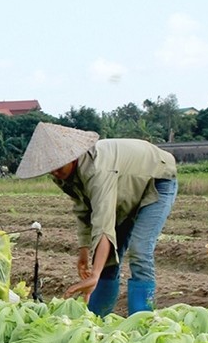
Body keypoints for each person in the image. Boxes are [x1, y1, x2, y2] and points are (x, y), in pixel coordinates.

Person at [15, 122, 178, 316]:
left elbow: (103, 221)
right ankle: (97, 318)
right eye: (51, 170)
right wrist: (84, 253)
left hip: (157, 179)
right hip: (124, 190)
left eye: (58, 167)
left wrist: (95, 274)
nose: (55, 173)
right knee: (108, 259)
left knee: (139, 249)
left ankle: (142, 319)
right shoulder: (64, 174)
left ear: (72, 156)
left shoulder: (97, 170)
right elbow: (84, 211)